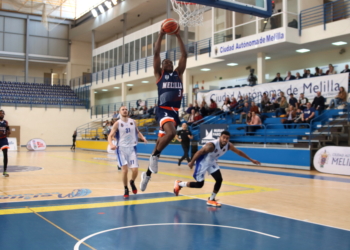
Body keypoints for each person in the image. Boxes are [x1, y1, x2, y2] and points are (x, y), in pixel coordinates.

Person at [140, 24, 187, 192]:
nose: (167, 62)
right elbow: (156, 53)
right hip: (163, 109)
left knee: (159, 144)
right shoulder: (159, 75)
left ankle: (146, 175)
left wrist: (178, 35)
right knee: (172, 133)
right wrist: (161, 34)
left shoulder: (178, 73)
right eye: (165, 62)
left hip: (174, 112)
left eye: (170, 62)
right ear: (161, 66)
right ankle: (154, 157)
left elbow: (184, 55)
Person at [173, 131, 261, 207]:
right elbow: (199, 152)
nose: (225, 140)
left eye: (227, 138)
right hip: (203, 161)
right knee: (200, 185)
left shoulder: (229, 145)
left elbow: (239, 152)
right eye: (223, 137)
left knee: (219, 179)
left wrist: (251, 160)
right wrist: (192, 162)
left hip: (212, 162)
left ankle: (211, 199)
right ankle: (180, 184)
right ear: (220, 137)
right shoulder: (211, 146)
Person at [108, 106, 147, 198]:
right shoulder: (117, 123)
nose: (125, 111)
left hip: (132, 148)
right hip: (121, 149)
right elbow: (109, 136)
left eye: (126, 109)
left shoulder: (133, 122)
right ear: (120, 112)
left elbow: (137, 132)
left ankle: (132, 181)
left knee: (135, 170)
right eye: (123, 110)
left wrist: (142, 137)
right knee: (125, 171)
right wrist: (111, 144)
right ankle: (126, 188)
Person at [0, 110, 10, 177]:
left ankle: (5, 171)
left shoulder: (6, 122)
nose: (1, 114)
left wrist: (8, 132)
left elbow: (8, 129)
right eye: (0, 113)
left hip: (3, 139)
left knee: (5, 155)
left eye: (2, 113)